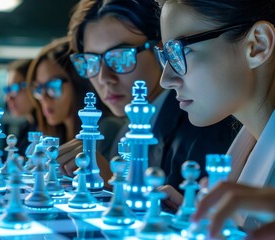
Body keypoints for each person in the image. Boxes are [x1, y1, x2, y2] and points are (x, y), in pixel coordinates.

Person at [64, 0, 239, 192]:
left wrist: (113, 188)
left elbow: (203, 216)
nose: (104, 77)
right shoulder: (125, 132)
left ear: (160, 49)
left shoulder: (202, 125)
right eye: (90, 61)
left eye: (121, 57)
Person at [155, 0, 275, 236]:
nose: (165, 79)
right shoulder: (247, 146)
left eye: (179, 51)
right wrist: (198, 219)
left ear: (257, 45)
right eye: (165, 55)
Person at [26, 36, 123, 169]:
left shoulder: (107, 129)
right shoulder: (56, 135)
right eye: (38, 88)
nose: (44, 97)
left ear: (78, 82)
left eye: (53, 86)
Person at [3, 59, 38, 157]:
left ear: (34, 86)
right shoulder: (26, 127)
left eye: (15, 88)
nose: (8, 98)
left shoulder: (48, 132)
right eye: (7, 90)